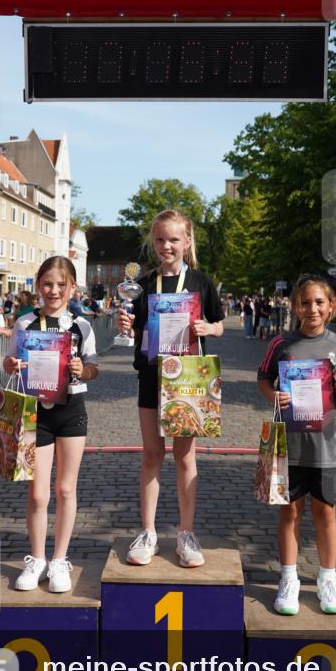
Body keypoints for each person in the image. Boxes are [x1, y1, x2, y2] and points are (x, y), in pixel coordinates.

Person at [116, 208, 224, 569]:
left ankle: (186, 534)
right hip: (151, 375)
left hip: (189, 378)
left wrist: (210, 330)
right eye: (160, 239)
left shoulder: (201, 283)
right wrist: (125, 325)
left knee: (184, 457)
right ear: (153, 241)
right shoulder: (143, 285)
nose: (167, 246)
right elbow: (135, 331)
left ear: (187, 241)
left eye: (174, 240)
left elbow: (219, 325)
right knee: (151, 455)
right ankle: (148, 533)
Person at [257, 274, 336, 617]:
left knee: (325, 512)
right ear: (295, 306)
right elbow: (263, 379)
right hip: (290, 442)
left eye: (319, 302)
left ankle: (327, 578)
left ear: (332, 307)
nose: (312, 308)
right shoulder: (281, 345)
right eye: (305, 302)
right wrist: (275, 395)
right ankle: (288, 578)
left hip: (327, 445)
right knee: (289, 512)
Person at [4, 256, 99, 593]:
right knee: (39, 493)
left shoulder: (81, 325)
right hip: (35, 411)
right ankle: (36, 559)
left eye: (61, 285)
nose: (54, 290)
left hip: (71, 409)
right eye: (47, 284)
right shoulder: (24, 322)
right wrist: (12, 363)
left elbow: (93, 368)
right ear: (37, 285)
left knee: (66, 489)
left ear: (72, 287)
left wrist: (80, 370)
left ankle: (59, 560)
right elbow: (7, 361)